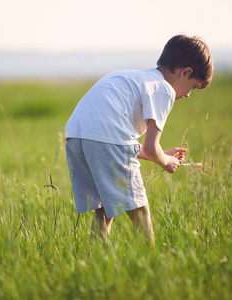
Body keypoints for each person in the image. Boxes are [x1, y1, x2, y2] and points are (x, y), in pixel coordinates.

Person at [65, 34, 213, 244]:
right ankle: (150, 263)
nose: (188, 95)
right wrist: (166, 161)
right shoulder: (164, 90)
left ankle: (93, 261)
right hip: (105, 138)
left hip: (76, 136)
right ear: (185, 72)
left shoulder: (136, 77)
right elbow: (151, 149)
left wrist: (161, 153)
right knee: (140, 210)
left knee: (105, 210)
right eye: (194, 87)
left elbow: (121, 142)